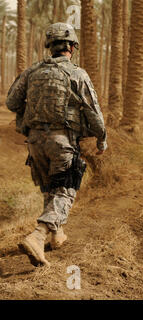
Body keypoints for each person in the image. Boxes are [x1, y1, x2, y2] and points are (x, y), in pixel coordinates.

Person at [6, 23, 107, 267]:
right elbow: (93, 112)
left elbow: (11, 102)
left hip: (34, 142)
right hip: (62, 140)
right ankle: (39, 235)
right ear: (72, 47)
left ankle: (56, 234)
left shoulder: (32, 72)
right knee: (65, 189)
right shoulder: (77, 73)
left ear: (49, 47)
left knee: (51, 188)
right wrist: (101, 137)